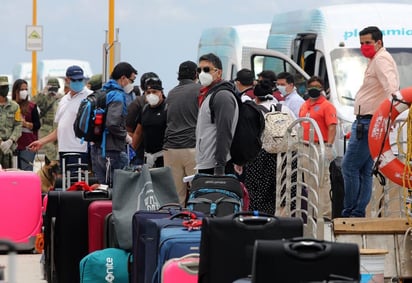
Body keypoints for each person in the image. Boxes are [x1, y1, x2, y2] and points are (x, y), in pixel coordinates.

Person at [342, 26, 399, 218]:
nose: (363, 47)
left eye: (367, 43)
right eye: (361, 43)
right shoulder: (377, 59)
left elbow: (391, 87)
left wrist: (390, 113)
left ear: (379, 42)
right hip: (369, 122)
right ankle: (357, 212)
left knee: (349, 167)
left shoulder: (381, 59)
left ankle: (351, 212)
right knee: (364, 170)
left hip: (368, 122)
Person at [28, 65, 92, 171]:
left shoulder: (90, 97)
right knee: (66, 185)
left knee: (78, 184)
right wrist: (41, 142)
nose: (78, 82)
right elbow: (61, 128)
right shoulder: (64, 100)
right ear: (67, 80)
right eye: (74, 79)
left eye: (80, 79)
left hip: (80, 150)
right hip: (63, 150)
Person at [244, 79, 294, 215]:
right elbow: (296, 128)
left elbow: (249, 136)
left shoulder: (253, 110)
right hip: (285, 156)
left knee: (258, 194)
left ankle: (261, 220)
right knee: (284, 192)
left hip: (260, 157)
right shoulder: (284, 108)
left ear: (255, 97)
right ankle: (283, 221)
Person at [91, 62, 137, 185]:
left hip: (96, 148)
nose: (131, 84)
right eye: (131, 80)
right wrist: (126, 136)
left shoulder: (103, 92)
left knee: (103, 188)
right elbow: (112, 123)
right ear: (123, 78)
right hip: (111, 150)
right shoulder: (117, 96)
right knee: (117, 189)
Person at [299, 76, 337, 219]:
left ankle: (324, 215)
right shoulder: (304, 105)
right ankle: (310, 214)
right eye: (311, 86)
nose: (314, 88)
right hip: (305, 147)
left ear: (321, 88)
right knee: (307, 182)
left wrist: (328, 147)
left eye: (317, 86)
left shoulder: (327, 106)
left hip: (319, 147)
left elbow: (332, 127)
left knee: (322, 181)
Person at [163, 60, 200, 205]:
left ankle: (176, 224)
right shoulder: (200, 90)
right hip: (192, 148)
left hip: (171, 149)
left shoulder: (171, 93)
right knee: (197, 193)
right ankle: (196, 225)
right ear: (196, 74)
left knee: (176, 197)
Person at [195, 53, 239, 175]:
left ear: (219, 73)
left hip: (215, 166)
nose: (202, 74)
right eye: (199, 70)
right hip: (207, 162)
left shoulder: (222, 96)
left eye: (207, 69)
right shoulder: (209, 94)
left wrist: (220, 166)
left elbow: (224, 131)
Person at [132, 78, 167, 168]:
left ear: (161, 92)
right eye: (148, 92)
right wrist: (131, 152)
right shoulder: (144, 110)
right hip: (148, 158)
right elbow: (138, 133)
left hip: (164, 157)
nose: (151, 94)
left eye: (154, 91)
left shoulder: (167, 108)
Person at [126, 72, 159, 166]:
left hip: (148, 153)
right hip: (141, 153)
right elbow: (131, 131)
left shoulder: (137, 102)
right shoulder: (138, 103)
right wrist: (132, 152)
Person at [12, 79, 41, 171]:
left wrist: (26, 124)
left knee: (26, 171)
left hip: (28, 145)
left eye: (26, 89)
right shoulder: (10, 106)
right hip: (12, 144)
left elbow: (37, 125)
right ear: (16, 91)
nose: (24, 92)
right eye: (21, 89)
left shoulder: (32, 106)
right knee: (12, 172)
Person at [33, 77, 62, 161]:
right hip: (46, 128)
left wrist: (59, 97)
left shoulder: (61, 98)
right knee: (50, 151)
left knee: (58, 151)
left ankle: (55, 167)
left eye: (55, 88)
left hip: (57, 128)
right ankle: (51, 166)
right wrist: (43, 92)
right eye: (51, 87)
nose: (53, 90)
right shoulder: (43, 98)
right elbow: (32, 103)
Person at [0, 76, 22, 169]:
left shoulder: (15, 106)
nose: (5, 89)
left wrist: (11, 140)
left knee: (9, 176)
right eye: (2, 87)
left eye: (6, 86)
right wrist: (0, 142)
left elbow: (18, 125)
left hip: (9, 149)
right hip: (1, 143)